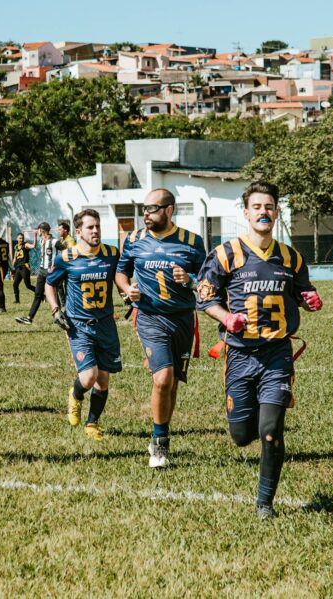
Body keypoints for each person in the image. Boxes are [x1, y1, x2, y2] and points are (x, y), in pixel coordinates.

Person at [197, 181, 323, 520]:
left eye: (268, 207)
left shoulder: (291, 257)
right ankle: (249, 420)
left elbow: (302, 292)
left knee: (270, 432)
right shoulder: (225, 254)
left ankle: (265, 503)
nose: (263, 212)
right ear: (246, 213)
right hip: (239, 355)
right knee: (241, 436)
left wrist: (309, 300)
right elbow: (205, 298)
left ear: (276, 212)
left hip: (276, 354)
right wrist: (227, 317)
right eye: (256, 207)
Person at [115, 189, 206, 468]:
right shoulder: (134, 239)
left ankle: (162, 431)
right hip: (150, 317)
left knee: (173, 381)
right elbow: (121, 272)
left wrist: (189, 279)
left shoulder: (192, 242)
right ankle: (159, 443)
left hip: (182, 319)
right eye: (144, 208)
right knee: (163, 378)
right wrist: (127, 289)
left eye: (152, 209)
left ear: (169, 210)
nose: (146, 214)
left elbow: (206, 281)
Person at [45, 209, 121, 440]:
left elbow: (120, 278)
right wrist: (56, 310)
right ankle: (76, 395)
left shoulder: (112, 254)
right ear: (78, 232)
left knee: (103, 380)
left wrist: (127, 293)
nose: (96, 231)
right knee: (89, 376)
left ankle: (92, 423)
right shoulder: (66, 257)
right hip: (79, 325)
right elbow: (50, 284)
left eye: (98, 226)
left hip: (106, 324)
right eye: (90, 227)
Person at [15, 222, 57, 325]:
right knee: (38, 294)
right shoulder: (41, 240)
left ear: (42, 230)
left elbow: (65, 251)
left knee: (54, 295)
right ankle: (29, 318)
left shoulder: (54, 241)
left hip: (50, 272)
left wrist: (56, 265)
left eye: (38, 230)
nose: (37, 231)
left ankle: (58, 316)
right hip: (41, 271)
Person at [55, 221, 77, 307]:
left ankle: (70, 303)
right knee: (58, 284)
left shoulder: (70, 240)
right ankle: (64, 303)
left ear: (65, 230)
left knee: (68, 286)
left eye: (60, 229)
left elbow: (71, 254)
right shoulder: (62, 239)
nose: (59, 231)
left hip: (68, 266)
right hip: (62, 266)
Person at [11, 232, 36, 303]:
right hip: (18, 268)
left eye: (22, 238)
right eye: (20, 238)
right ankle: (17, 300)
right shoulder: (16, 247)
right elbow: (15, 258)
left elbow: (33, 246)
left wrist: (35, 236)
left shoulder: (25, 245)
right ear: (17, 239)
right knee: (15, 284)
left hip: (25, 267)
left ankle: (42, 294)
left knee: (28, 285)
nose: (21, 240)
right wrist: (12, 268)